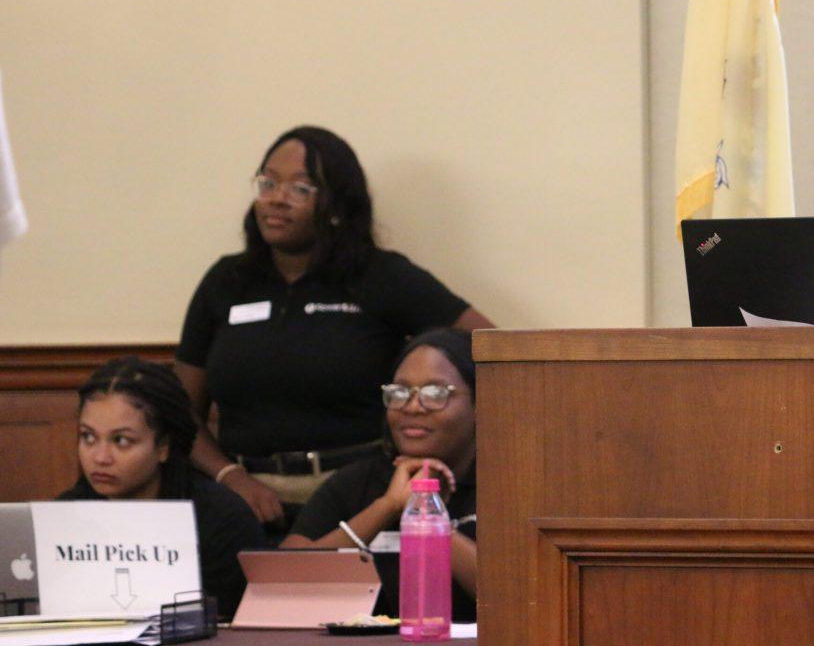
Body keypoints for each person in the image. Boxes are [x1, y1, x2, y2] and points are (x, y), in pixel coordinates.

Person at [175, 126, 493, 530]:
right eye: (268, 182)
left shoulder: (380, 276)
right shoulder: (226, 281)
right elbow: (182, 409)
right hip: (243, 501)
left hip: (359, 497)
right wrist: (229, 477)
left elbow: (490, 349)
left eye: (301, 188)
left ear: (337, 204)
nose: (276, 197)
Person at [281, 328, 478, 623]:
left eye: (435, 393)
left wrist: (428, 517)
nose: (412, 407)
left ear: (480, 402)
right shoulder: (357, 481)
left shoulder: (510, 482)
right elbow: (285, 580)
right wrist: (388, 506)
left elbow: (522, 594)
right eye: (399, 393)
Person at [58, 357, 265, 620]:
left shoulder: (223, 520)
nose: (100, 457)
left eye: (121, 441)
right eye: (88, 437)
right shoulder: (62, 518)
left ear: (163, 446)